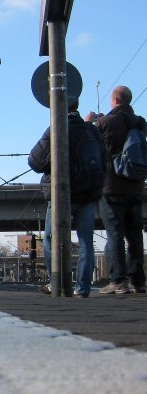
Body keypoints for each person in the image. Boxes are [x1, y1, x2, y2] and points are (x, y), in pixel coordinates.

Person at [29, 97, 105, 297]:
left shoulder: (56, 128)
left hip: (62, 193)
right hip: (87, 193)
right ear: (77, 105)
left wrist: (53, 161)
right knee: (86, 241)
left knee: (50, 238)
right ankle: (83, 288)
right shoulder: (91, 130)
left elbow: (35, 161)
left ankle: (56, 282)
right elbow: (103, 161)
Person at [87, 85, 147, 294]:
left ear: (114, 101)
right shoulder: (140, 123)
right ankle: (138, 281)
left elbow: (90, 142)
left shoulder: (105, 123)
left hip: (111, 186)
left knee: (115, 234)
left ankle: (118, 280)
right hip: (135, 186)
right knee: (135, 235)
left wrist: (90, 122)